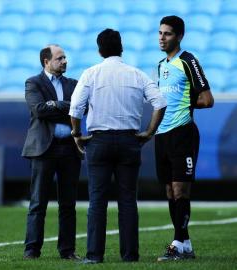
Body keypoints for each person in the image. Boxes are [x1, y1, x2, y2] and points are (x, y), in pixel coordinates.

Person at [69, 29, 167, 264]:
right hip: (129, 141)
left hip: (98, 141)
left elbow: (75, 108)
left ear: (100, 50)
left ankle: (94, 255)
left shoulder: (91, 73)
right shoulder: (137, 74)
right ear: (121, 48)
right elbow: (160, 103)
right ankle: (130, 255)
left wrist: (76, 134)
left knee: (97, 200)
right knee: (127, 200)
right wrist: (149, 133)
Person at [155, 16, 214, 261]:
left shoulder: (188, 61)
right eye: (160, 33)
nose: (161, 37)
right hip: (162, 135)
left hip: (183, 133)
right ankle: (185, 243)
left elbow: (207, 100)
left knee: (181, 189)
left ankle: (177, 243)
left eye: (167, 34)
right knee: (170, 190)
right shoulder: (160, 65)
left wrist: (185, 104)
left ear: (179, 36)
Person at [21, 44, 82, 260]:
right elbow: (39, 110)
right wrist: (65, 107)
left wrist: (55, 105)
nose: (65, 61)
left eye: (65, 57)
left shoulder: (74, 83)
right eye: (60, 58)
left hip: (69, 149)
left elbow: (80, 109)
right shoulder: (33, 82)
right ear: (46, 62)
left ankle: (67, 251)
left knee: (68, 204)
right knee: (38, 202)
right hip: (43, 149)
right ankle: (32, 250)